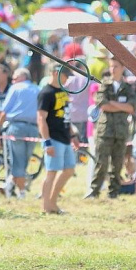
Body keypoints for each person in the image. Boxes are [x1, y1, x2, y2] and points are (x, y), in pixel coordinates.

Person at [85, 57, 136, 199]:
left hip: (120, 131)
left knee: (117, 163)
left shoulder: (127, 88)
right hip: (105, 130)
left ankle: (113, 192)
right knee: (101, 161)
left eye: (116, 67)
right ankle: (94, 191)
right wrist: (121, 107)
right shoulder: (104, 85)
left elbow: (132, 107)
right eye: (111, 66)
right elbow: (102, 105)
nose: (113, 69)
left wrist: (113, 104)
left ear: (123, 68)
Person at [37, 64, 79, 213]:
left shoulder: (63, 91)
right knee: (51, 172)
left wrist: (72, 135)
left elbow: (66, 116)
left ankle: (53, 201)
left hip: (65, 137)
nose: (67, 79)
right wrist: (47, 142)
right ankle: (46, 206)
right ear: (56, 73)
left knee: (69, 169)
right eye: (65, 76)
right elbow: (41, 119)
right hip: (53, 138)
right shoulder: (46, 93)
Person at [0, 68, 39, 198]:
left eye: (15, 78)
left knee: (17, 160)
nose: (13, 80)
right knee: (24, 160)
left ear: (23, 77)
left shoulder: (15, 89)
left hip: (16, 127)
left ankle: (18, 190)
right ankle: (11, 185)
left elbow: (4, 110)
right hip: (34, 128)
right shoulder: (37, 89)